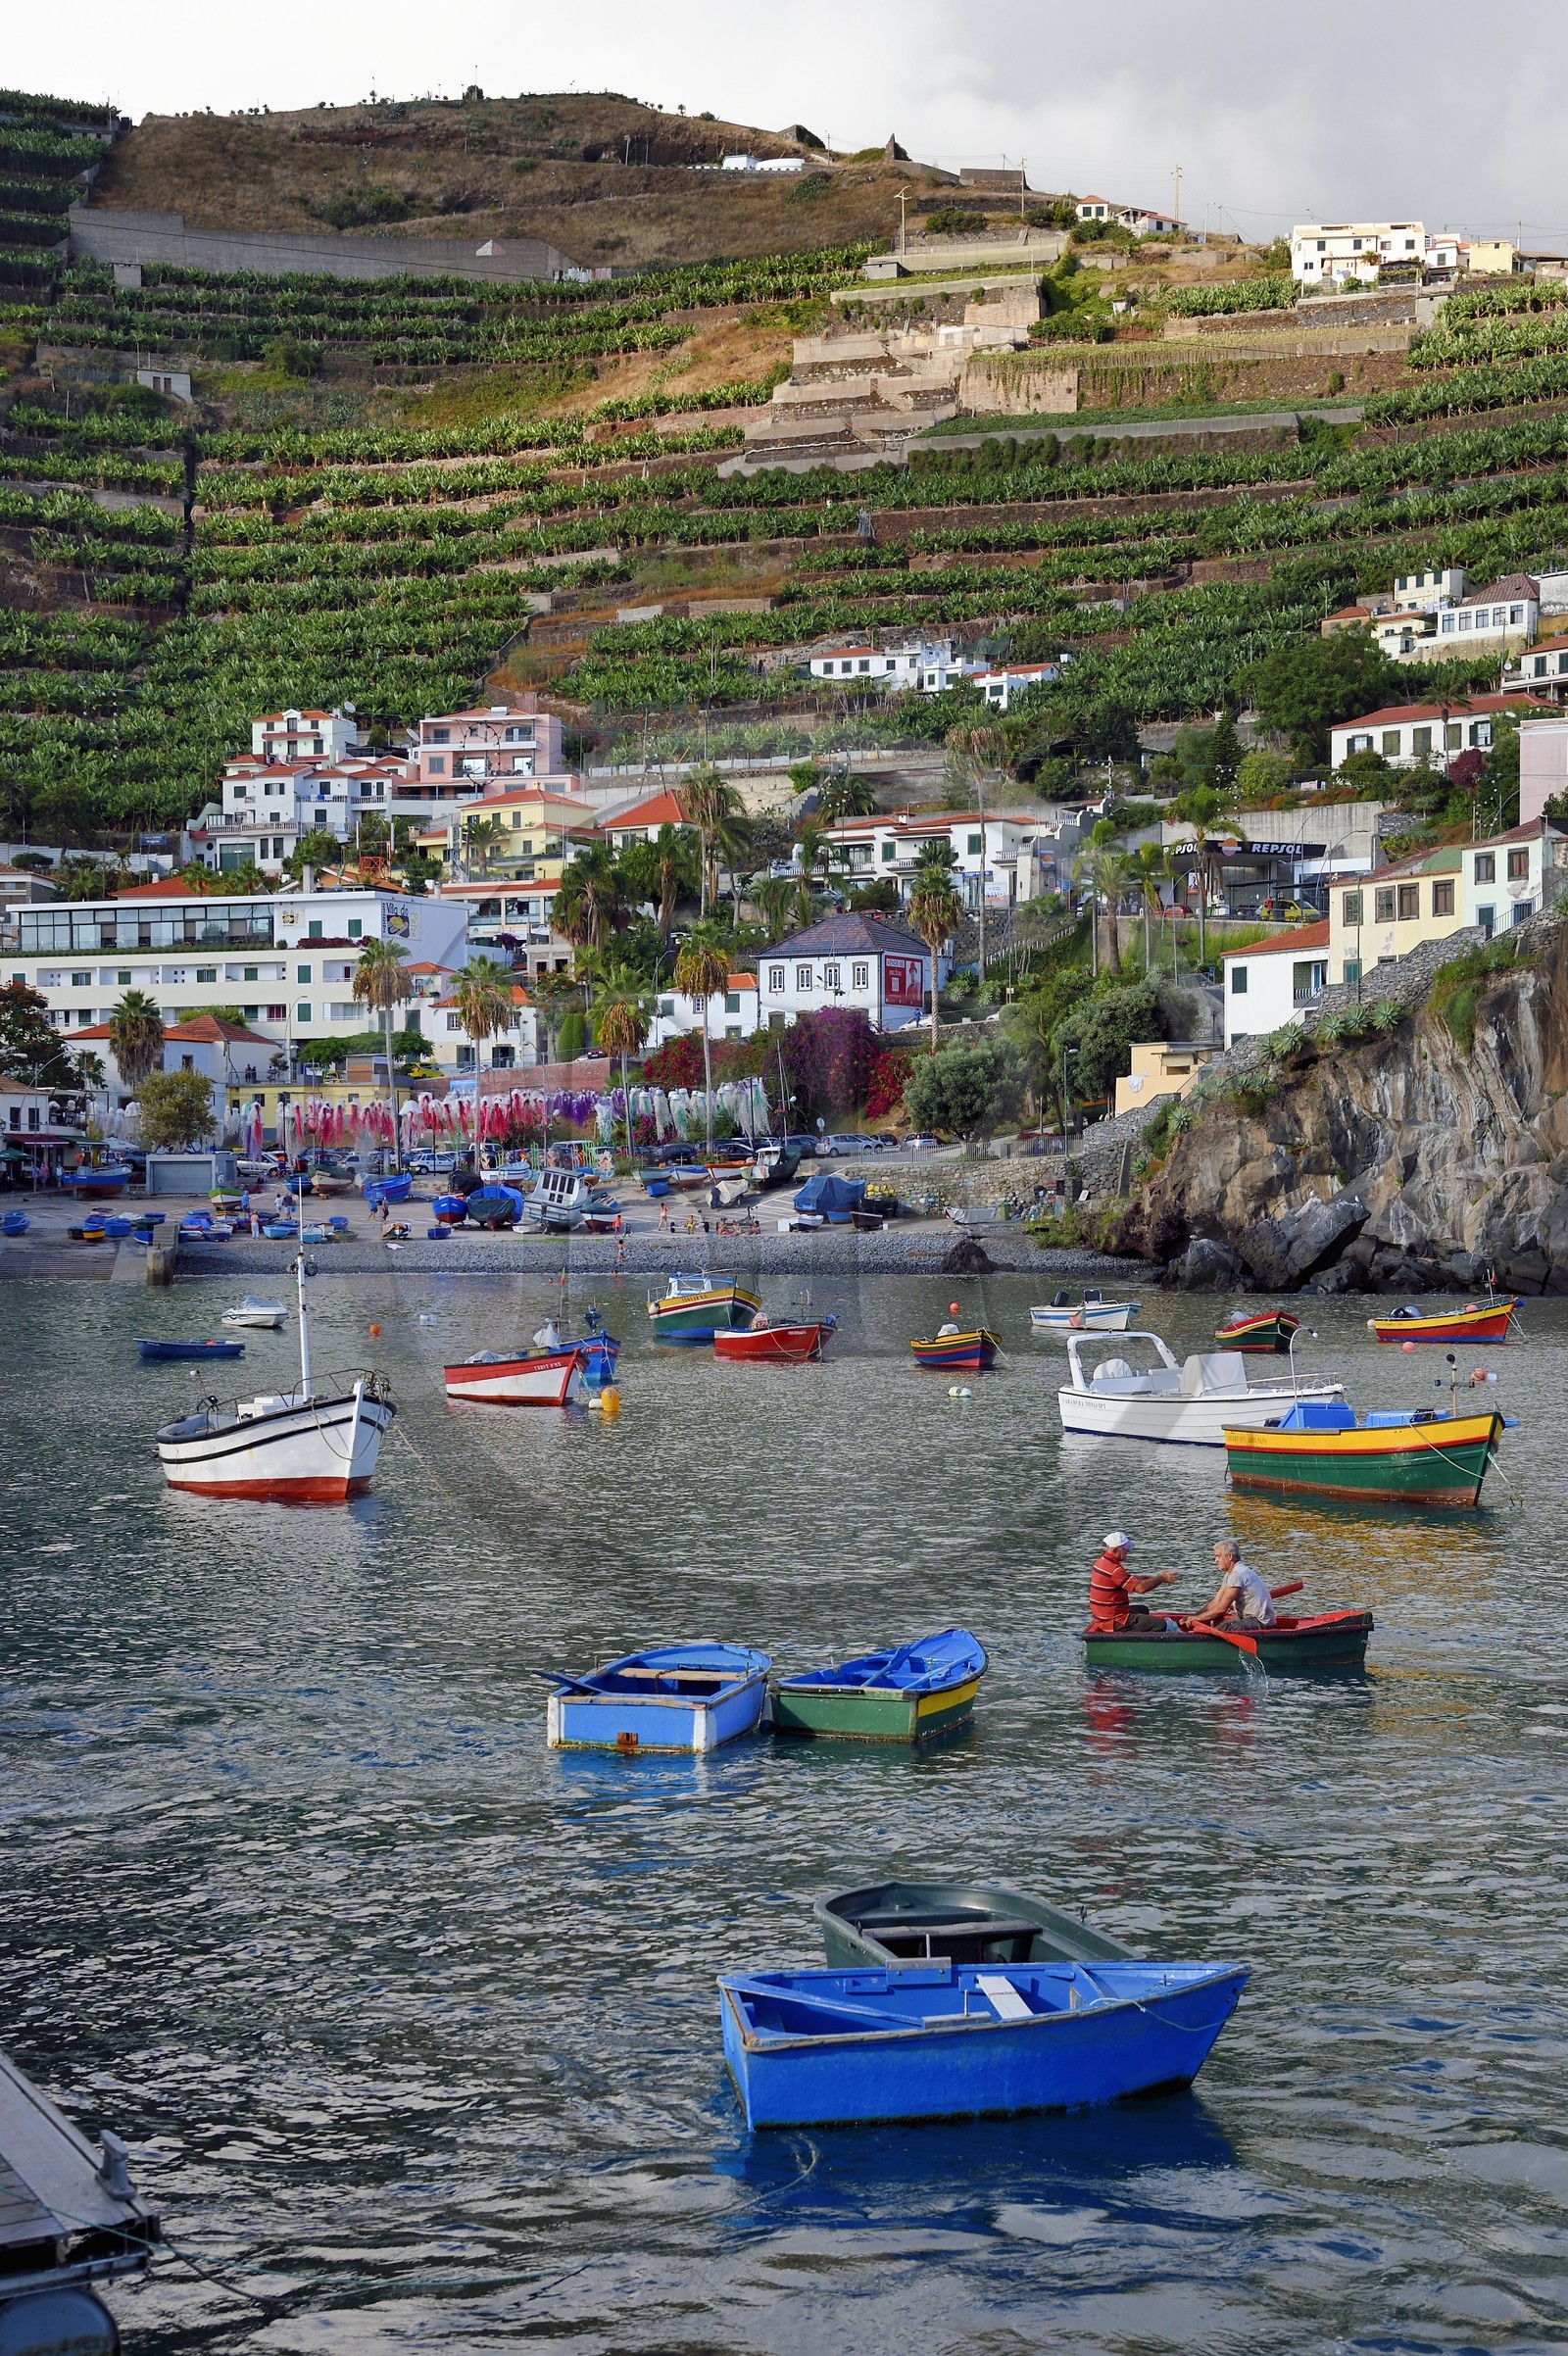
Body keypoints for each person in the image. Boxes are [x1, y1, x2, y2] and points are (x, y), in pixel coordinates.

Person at [1088, 1532, 1179, 1633]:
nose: (1128, 1551)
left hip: (1104, 1615)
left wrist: (1150, 1579)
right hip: (1113, 1619)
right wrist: (1161, 1578)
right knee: (1160, 1624)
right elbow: (1140, 1588)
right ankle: (1139, 1644)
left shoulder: (1100, 1562)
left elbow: (1122, 1581)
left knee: (1143, 1610)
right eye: (1125, 1549)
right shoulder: (1114, 1570)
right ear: (1115, 1550)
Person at [1183, 1542, 1276, 1630]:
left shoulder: (1237, 1574)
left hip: (1259, 1621)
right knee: (1218, 1624)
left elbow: (1221, 1609)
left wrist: (1198, 1618)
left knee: (1222, 1628)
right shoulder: (1230, 1574)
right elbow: (1216, 1602)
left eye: (1218, 1556)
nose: (1216, 1560)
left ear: (1229, 1556)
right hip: (1247, 1618)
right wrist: (1194, 1616)